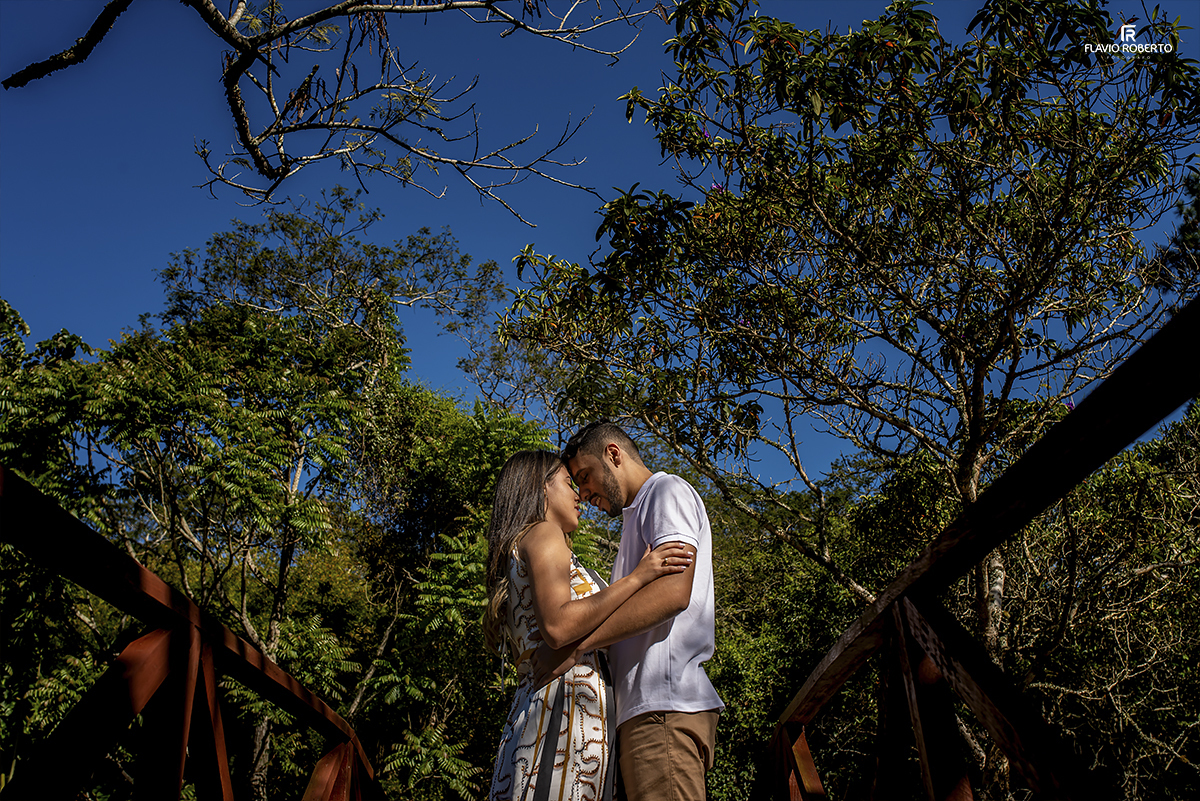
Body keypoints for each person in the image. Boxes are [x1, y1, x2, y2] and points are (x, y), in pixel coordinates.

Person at [485, 450, 694, 801]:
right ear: (542, 489)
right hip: (563, 716)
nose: (579, 495)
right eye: (570, 483)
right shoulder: (543, 532)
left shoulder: (524, 543)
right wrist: (638, 578)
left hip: (548, 711)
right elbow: (559, 626)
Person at [538, 421, 724, 801]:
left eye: (585, 476)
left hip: (663, 711)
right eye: (577, 483)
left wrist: (578, 645)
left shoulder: (665, 491)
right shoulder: (634, 522)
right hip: (645, 715)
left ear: (613, 454)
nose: (584, 491)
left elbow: (674, 592)